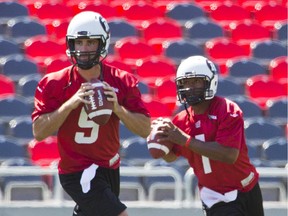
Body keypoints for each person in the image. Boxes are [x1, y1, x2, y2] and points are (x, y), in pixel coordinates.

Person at [31, 11, 151, 216]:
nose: (84, 49)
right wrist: (70, 104)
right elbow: (39, 132)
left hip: (109, 167)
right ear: (71, 45)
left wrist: (118, 109)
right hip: (77, 171)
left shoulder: (122, 80)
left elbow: (145, 129)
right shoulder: (54, 83)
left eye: (90, 42)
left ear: (102, 44)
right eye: (79, 43)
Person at [153, 55, 264, 216]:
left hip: (248, 187)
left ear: (210, 82)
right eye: (185, 82)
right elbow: (172, 156)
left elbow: (229, 154)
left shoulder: (227, 110)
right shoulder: (180, 121)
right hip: (216, 196)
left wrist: (185, 140)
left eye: (196, 81)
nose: (190, 87)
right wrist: (161, 146)